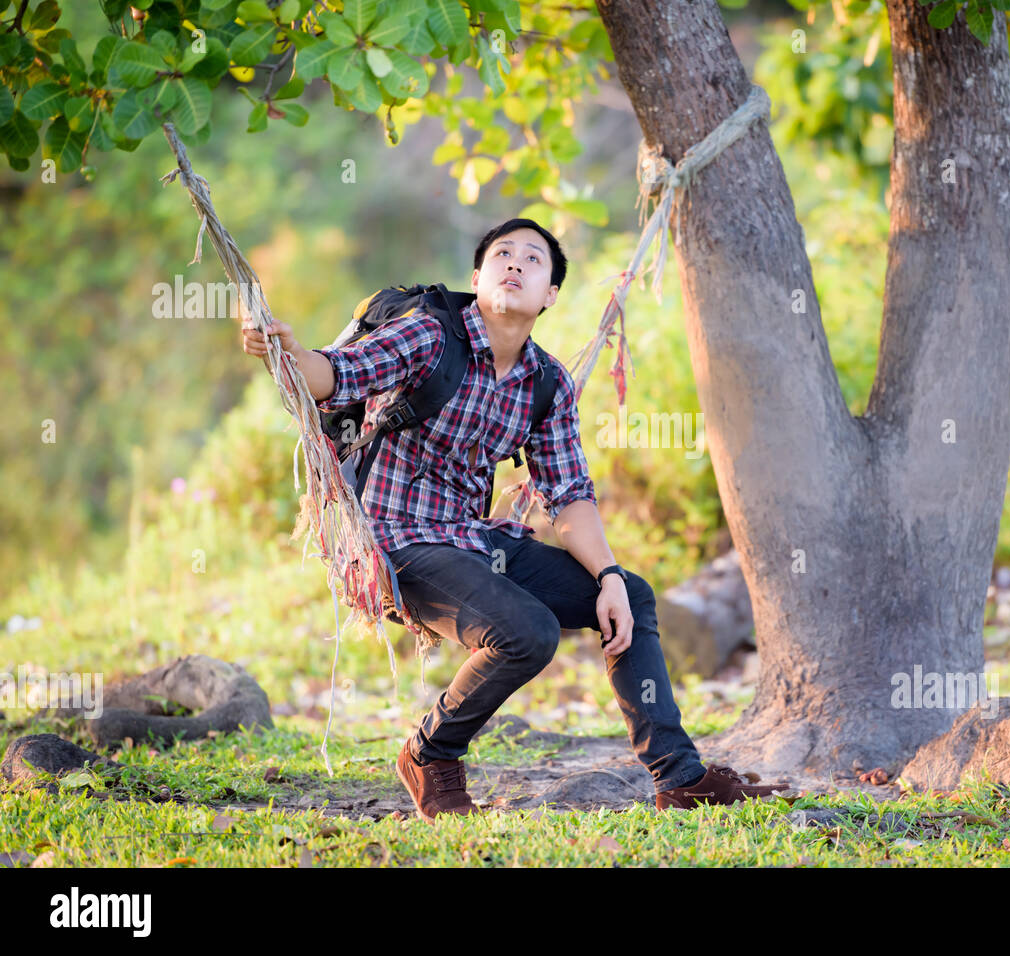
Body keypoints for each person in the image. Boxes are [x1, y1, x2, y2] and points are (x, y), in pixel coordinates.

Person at [242, 217, 790, 816]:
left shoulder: (546, 382)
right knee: (527, 632)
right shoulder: (428, 336)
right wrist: (291, 354)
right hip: (392, 541)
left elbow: (569, 495)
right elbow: (336, 374)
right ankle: (431, 753)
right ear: (477, 277)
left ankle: (680, 777)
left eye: (533, 260)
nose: (515, 264)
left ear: (550, 293)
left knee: (632, 593)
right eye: (502, 254)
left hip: (475, 541)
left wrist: (607, 576)